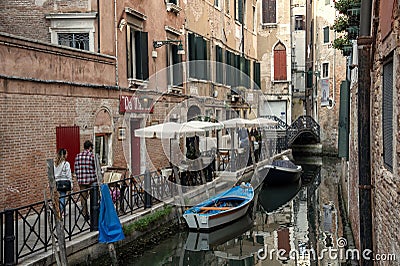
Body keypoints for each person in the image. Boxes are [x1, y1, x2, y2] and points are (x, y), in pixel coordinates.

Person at [74, 140, 97, 220]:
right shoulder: (92, 156)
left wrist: (79, 177)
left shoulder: (78, 156)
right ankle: (94, 213)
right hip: (91, 180)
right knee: (94, 196)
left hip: (81, 180)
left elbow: (76, 169)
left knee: (83, 198)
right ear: (90, 147)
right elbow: (96, 168)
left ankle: (85, 214)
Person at [54, 148, 73, 216]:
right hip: (64, 182)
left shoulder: (55, 164)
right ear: (64, 155)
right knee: (62, 196)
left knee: (59, 197)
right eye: (66, 153)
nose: (67, 155)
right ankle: (61, 212)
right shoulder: (66, 164)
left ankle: (61, 210)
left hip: (57, 182)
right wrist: (71, 183)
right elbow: (68, 175)